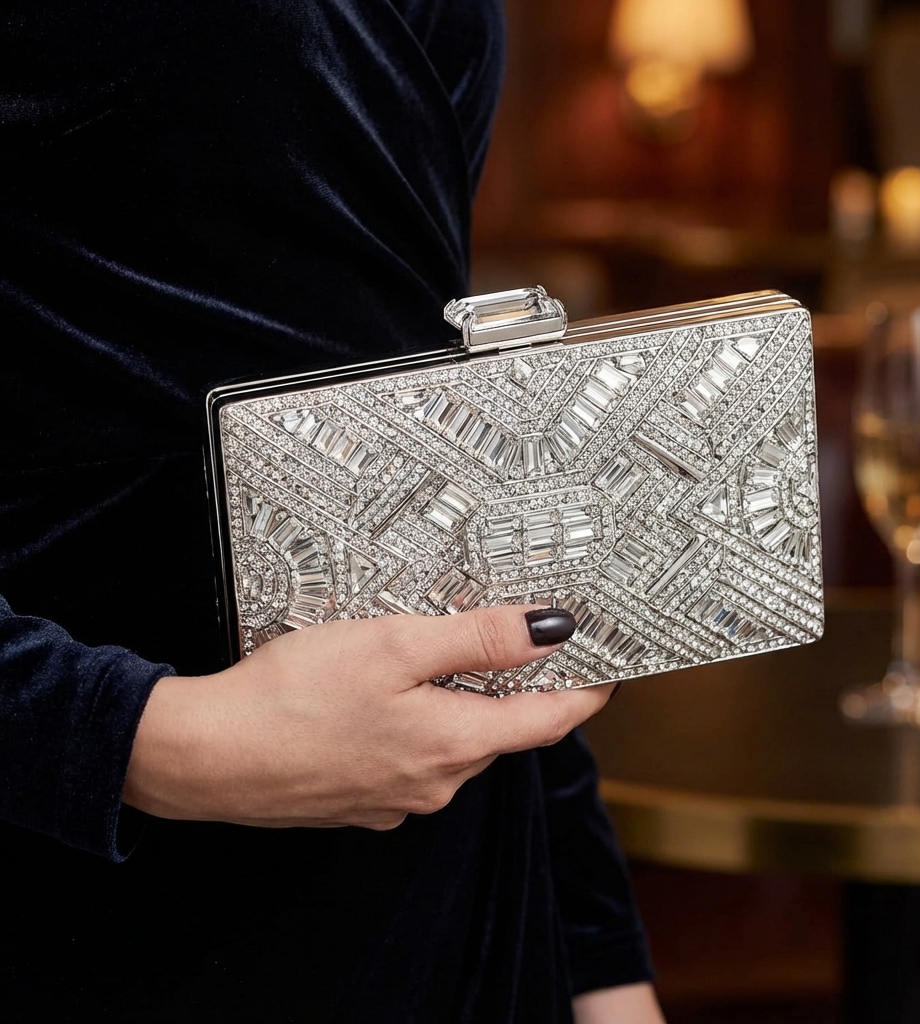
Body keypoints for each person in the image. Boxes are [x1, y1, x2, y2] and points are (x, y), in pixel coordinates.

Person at [0, 2, 667, 1021]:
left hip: (457, 882)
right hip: (88, 898)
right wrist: (153, 742)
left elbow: (423, 419)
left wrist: (598, 960)